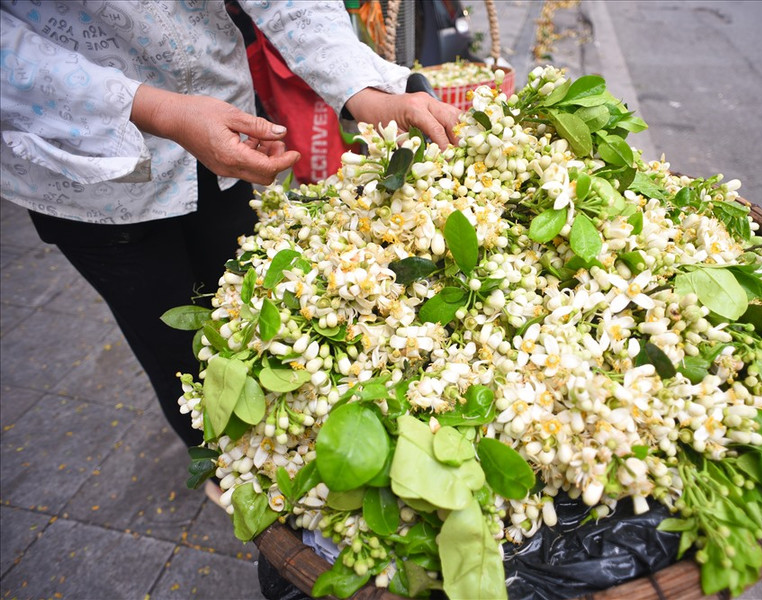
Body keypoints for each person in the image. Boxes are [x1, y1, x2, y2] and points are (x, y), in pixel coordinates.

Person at [0, 2, 461, 453]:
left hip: (227, 125)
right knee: (176, 350)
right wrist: (161, 111)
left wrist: (367, 94)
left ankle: (277, 447)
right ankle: (223, 460)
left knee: (261, 314)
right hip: (93, 173)